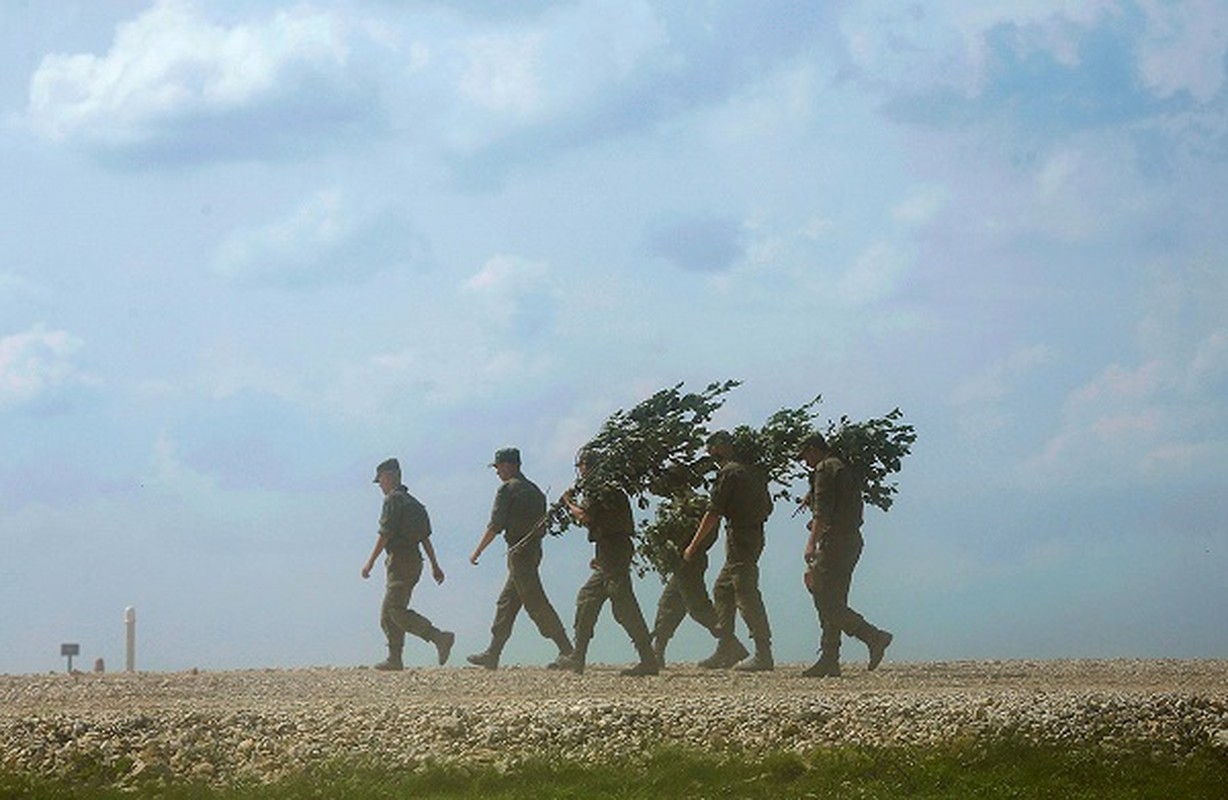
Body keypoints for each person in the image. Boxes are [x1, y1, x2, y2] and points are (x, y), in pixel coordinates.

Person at [466, 447, 574, 670]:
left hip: (519, 553)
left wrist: (478, 551)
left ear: (508, 465)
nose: (497, 472)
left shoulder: (508, 489)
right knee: (507, 603)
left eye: (498, 467)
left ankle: (567, 651)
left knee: (535, 600)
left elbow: (495, 525)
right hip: (533, 551)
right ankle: (493, 653)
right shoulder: (535, 491)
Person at [797, 432, 893, 677]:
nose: (805, 461)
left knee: (825, 599)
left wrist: (811, 544)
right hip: (850, 540)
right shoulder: (844, 468)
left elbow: (822, 512)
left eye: (805, 454)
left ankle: (873, 636)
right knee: (835, 598)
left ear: (813, 449)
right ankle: (830, 659)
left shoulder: (825, 469)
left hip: (835, 542)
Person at [556, 449, 658, 676]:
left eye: (581, 465)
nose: (580, 471)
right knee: (588, 598)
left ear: (586, 465)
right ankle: (578, 658)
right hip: (611, 550)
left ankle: (648, 660)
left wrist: (568, 503)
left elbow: (586, 517)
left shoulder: (598, 487)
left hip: (613, 550)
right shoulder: (612, 488)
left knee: (623, 605)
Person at [682, 431, 774, 671]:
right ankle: (726, 649)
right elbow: (769, 507)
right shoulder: (755, 471)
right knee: (722, 589)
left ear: (722, 446)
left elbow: (714, 511)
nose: (710, 454)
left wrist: (693, 544)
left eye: (711, 447)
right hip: (754, 535)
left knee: (746, 594)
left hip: (740, 538)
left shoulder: (729, 472)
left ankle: (763, 654)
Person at [361, 458, 455, 671]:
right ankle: (395, 658)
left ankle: (439, 637)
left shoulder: (392, 500)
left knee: (394, 610)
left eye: (381, 480)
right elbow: (425, 538)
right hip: (414, 561)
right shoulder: (415, 503)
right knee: (389, 613)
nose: (381, 486)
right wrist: (434, 565)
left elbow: (385, 534)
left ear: (389, 476)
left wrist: (370, 562)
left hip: (401, 561)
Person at [649, 495, 739, 668]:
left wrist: (692, 546)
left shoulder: (695, 504)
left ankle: (731, 645)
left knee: (698, 607)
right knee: (669, 603)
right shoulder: (679, 503)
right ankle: (657, 652)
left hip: (690, 560)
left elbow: (711, 522)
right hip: (683, 561)